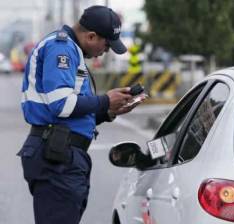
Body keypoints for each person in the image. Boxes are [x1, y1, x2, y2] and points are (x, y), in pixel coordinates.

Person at [17, 5, 145, 224]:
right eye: (106, 45)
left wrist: (109, 111)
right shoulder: (62, 49)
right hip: (57, 156)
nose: (105, 51)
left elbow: (71, 114)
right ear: (91, 36)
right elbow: (61, 104)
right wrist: (105, 100)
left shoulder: (71, 50)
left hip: (62, 154)